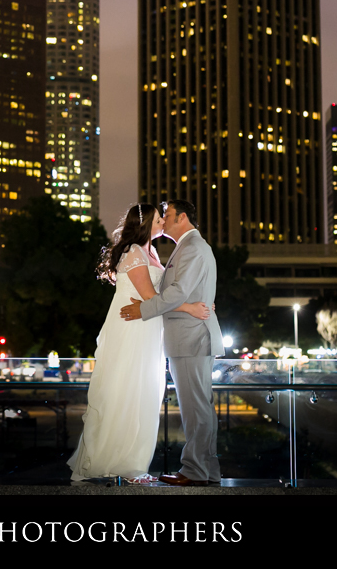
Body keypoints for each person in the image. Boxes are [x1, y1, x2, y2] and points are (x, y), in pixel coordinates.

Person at [67, 203, 211, 484]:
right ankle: (127, 466)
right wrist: (190, 308)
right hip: (133, 329)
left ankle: (130, 462)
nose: (163, 223)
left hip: (147, 329)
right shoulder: (134, 252)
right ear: (146, 224)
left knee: (145, 394)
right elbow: (148, 296)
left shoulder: (152, 252)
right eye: (159, 219)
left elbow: (160, 296)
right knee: (129, 392)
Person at [120, 199, 223, 487]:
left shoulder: (192, 247)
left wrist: (143, 309)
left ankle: (194, 471)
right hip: (190, 337)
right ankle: (207, 470)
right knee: (200, 407)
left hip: (191, 338)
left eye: (167, 215)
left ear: (183, 217)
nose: (163, 220)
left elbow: (177, 292)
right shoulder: (191, 247)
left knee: (196, 409)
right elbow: (185, 293)